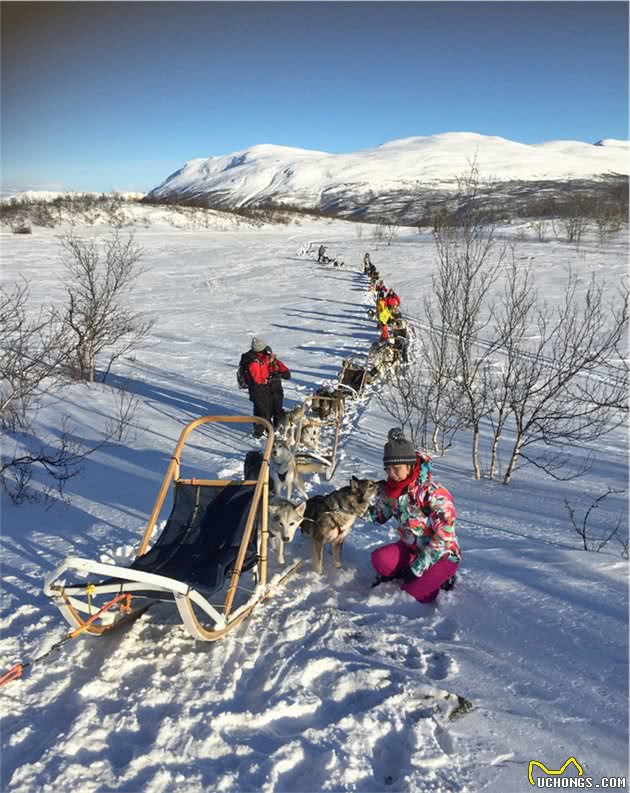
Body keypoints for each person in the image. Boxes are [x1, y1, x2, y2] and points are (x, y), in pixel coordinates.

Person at [366, 428, 461, 602]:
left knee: (415, 594)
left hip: (442, 554)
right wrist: (352, 506)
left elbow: (444, 537)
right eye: (388, 469)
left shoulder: (433, 492)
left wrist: (418, 567)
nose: (392, 474)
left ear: (410, 466)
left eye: (397, 468)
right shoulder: (392, 491)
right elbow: (378, 517)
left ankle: (445, 578)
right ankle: (411, 569)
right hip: (411, 548)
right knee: (380, 560)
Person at [266, 345, 291, 430]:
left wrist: (278, 375)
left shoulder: (277, 363)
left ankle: (277, 427)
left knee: (277, 411)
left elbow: (287, 375)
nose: (269, 358)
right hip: (264, 392)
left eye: (269, 355)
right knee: (267, 412)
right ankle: (268, 429)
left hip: (277, 391)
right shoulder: (260, 364)